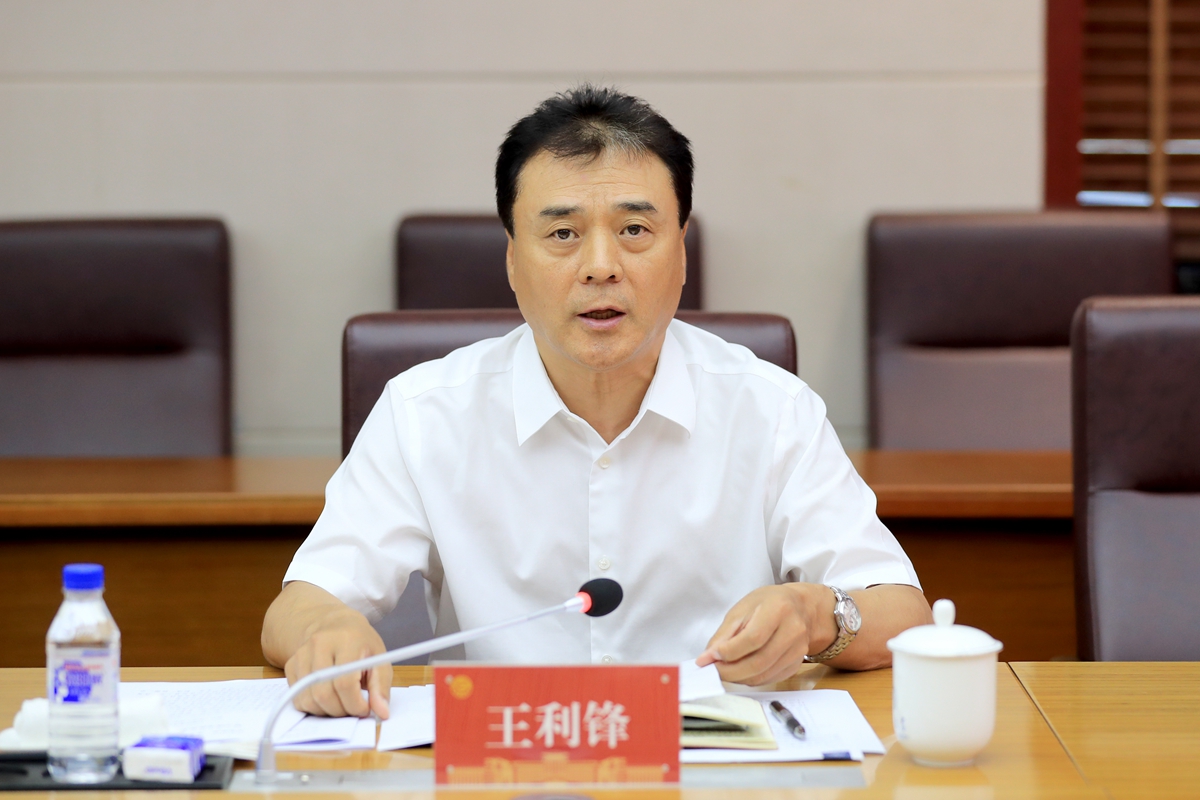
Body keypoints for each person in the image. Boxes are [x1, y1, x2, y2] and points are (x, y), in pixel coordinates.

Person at [262, 85, 932, 720]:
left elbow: (903, 616)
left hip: (717, 764)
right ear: (512, 262)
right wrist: (326, 628)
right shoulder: (424, 414)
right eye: (563, 235)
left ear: (681, 253)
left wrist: (816, 615)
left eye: (635, 230)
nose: (601, 266)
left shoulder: (771, 409)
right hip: (503, 761)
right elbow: (296, 609)